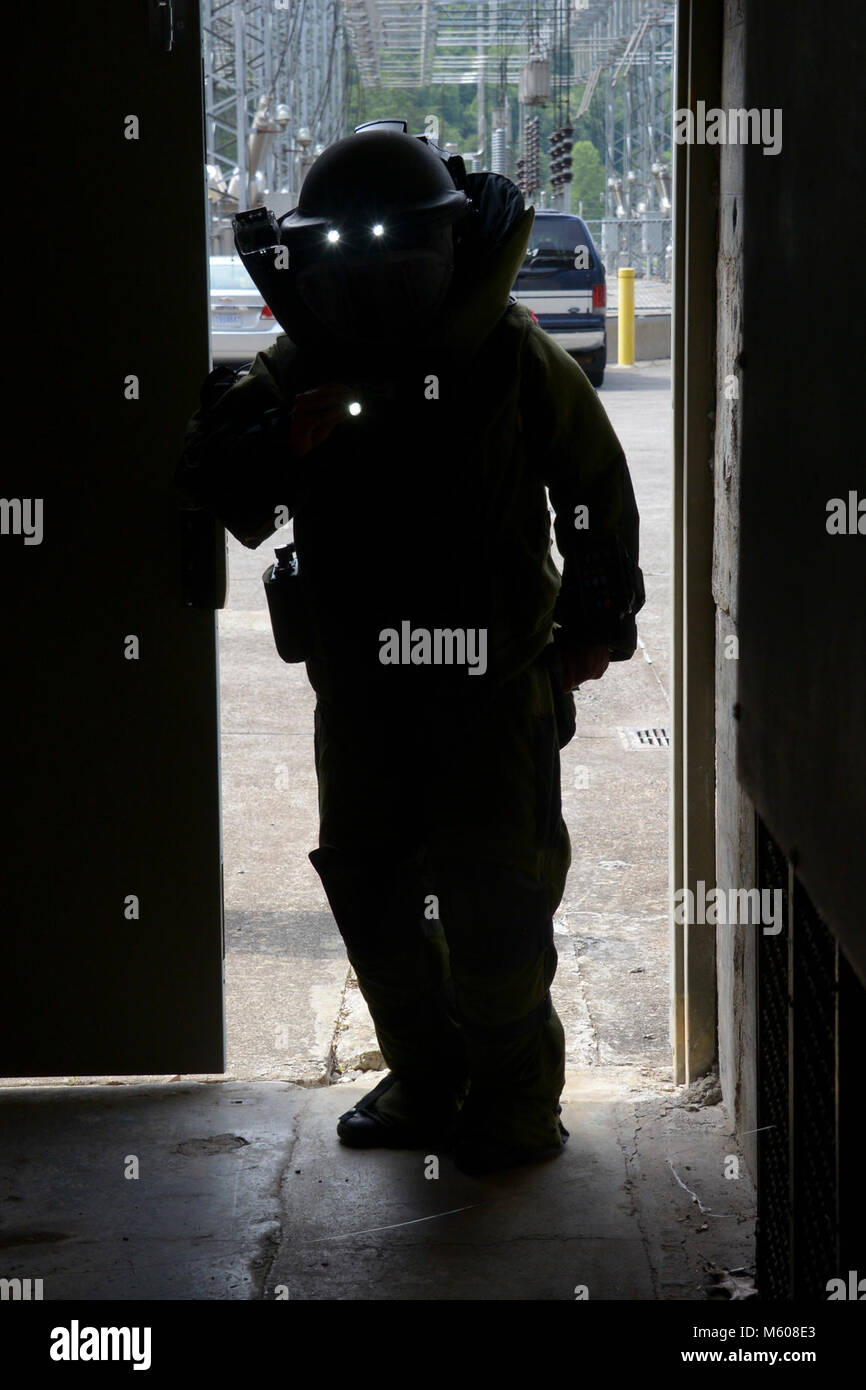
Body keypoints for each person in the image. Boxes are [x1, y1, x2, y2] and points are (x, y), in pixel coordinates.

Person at [176, 123, 645, 1174]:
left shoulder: (507, 356)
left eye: (398, 253)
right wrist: (273, 445)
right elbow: (212, 480)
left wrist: (586, 635)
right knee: (373, 888)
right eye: (352, 257)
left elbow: (594, 492)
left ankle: (515, 1099)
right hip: (361, 693)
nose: (378, 279)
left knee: (497, 898)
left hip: (492, 692)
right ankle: (426, 1079)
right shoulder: (303, 365)